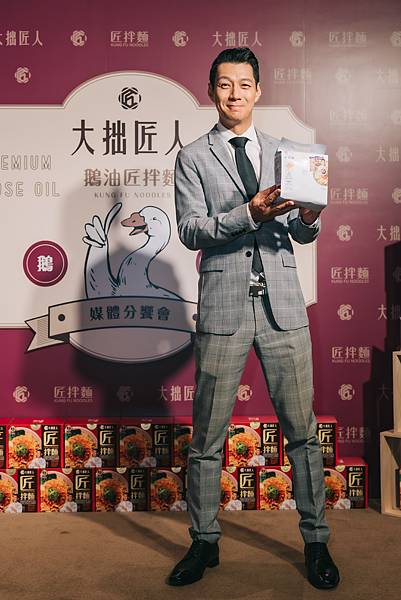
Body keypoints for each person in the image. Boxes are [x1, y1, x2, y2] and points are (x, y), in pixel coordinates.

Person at [169, 47, 339, 590]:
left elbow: (303, 233)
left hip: (283, 307)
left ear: (259, 90)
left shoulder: (289, 154)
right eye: (225, 84)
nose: (235, 94)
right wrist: (248, 214)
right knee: (207, 437)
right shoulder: (193, 157)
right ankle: (204, 541)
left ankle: (316, 541)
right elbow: (191, 230)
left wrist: (309, 215)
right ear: (212, 91)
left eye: (244, 84)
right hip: (223, 308)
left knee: (303, 434)